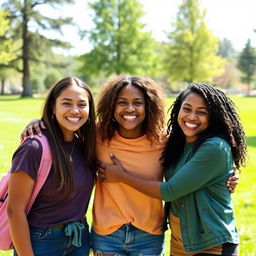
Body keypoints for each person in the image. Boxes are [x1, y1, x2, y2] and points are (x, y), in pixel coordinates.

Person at [20, 77, 239, 256]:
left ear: (148, 106)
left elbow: (195, 164)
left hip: (148, 234)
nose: (130, 109)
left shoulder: (165, 141)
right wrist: (39, 123)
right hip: (108, 234)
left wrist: (227, 175)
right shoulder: (96, 135)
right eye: (122, 102)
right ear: (111, 105)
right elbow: (66, 124)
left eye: (138, 102)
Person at [100, 82, 247, 255]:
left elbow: (169, 191)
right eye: (187, 109)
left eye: (202, 112)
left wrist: (122, 176)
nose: (192, 116)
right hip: (180, 241)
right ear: (178, 110)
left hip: (211, 242)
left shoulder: (215, 147)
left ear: (213, 116)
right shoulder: (178, 143)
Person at [7, 77, 97, 256]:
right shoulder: (33, 148)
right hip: (41, 242)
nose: (75, 110)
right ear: (53, 107)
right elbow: (14, 210)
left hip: (78, 239)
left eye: (82, 104)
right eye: (66, 103)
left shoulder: (85, 145)